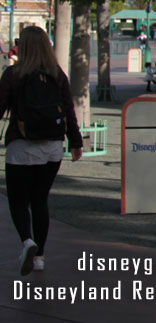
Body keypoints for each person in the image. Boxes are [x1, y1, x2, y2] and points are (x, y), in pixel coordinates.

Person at [0, 25, 83, 275]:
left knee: (18, 200)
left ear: (22, 47)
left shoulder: (13, 74)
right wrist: (76, 142)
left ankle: (27, 241)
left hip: (21, 146)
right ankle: (40, 258)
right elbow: (69, 110)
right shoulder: (57, 75)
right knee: (39, 200)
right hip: (52, 148)